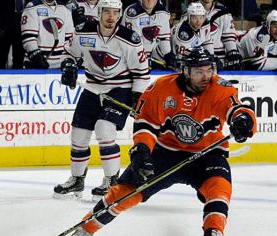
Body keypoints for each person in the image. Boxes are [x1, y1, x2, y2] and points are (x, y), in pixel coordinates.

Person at [70, 47, 257, 236]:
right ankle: (85, 228)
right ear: (186, 71)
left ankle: (214, 231)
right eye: (199, 71)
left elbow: (237, 110)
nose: (206, 76)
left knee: (219, 187)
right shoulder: (160, 88)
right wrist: (142, 150)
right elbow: (146, 124)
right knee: (125, 192)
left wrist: (244, 121)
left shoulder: (220, 88)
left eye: (209, 70)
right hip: (165, 151)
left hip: (207, 153)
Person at [54, 0, 150, 201]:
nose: (111, 17)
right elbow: (69, 53)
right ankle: (77, 179)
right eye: (107, 12)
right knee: (78, 136)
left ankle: (111, 182)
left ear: (120, 14)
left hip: (120, 88)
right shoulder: (83, 32)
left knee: (104, 130)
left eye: (115, 13)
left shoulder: (130, 39)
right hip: (92, 87)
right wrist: (69, 66)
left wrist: (137, 97)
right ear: (99, 12)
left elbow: (141, 73)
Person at [180, 0, 241, 70]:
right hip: (196, 61)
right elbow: (186, 41)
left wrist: (232, 52)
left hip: (219, 60)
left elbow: (229, 38)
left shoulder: (224, 12)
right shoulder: (190, 11)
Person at [21, 0, 74, 69]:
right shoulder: (32, 8)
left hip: (60, 65)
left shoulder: (64, 9)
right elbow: (28, 37)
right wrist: (36, 55)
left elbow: (69, 39)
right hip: (36, 64)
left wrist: (68, 58)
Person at [121, 0, 174, 69]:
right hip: (130, 59)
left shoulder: (163, 13)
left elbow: (163, 39)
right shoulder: (132, 12)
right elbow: (131, 45)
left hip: (150, 57)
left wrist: (168, 55)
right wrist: (147, 62)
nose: (149, 1)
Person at [0, 0, 25, 69]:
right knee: (1, 57)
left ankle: (18, 79)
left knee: (19, 58)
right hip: (3, 22)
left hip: (24, 21)